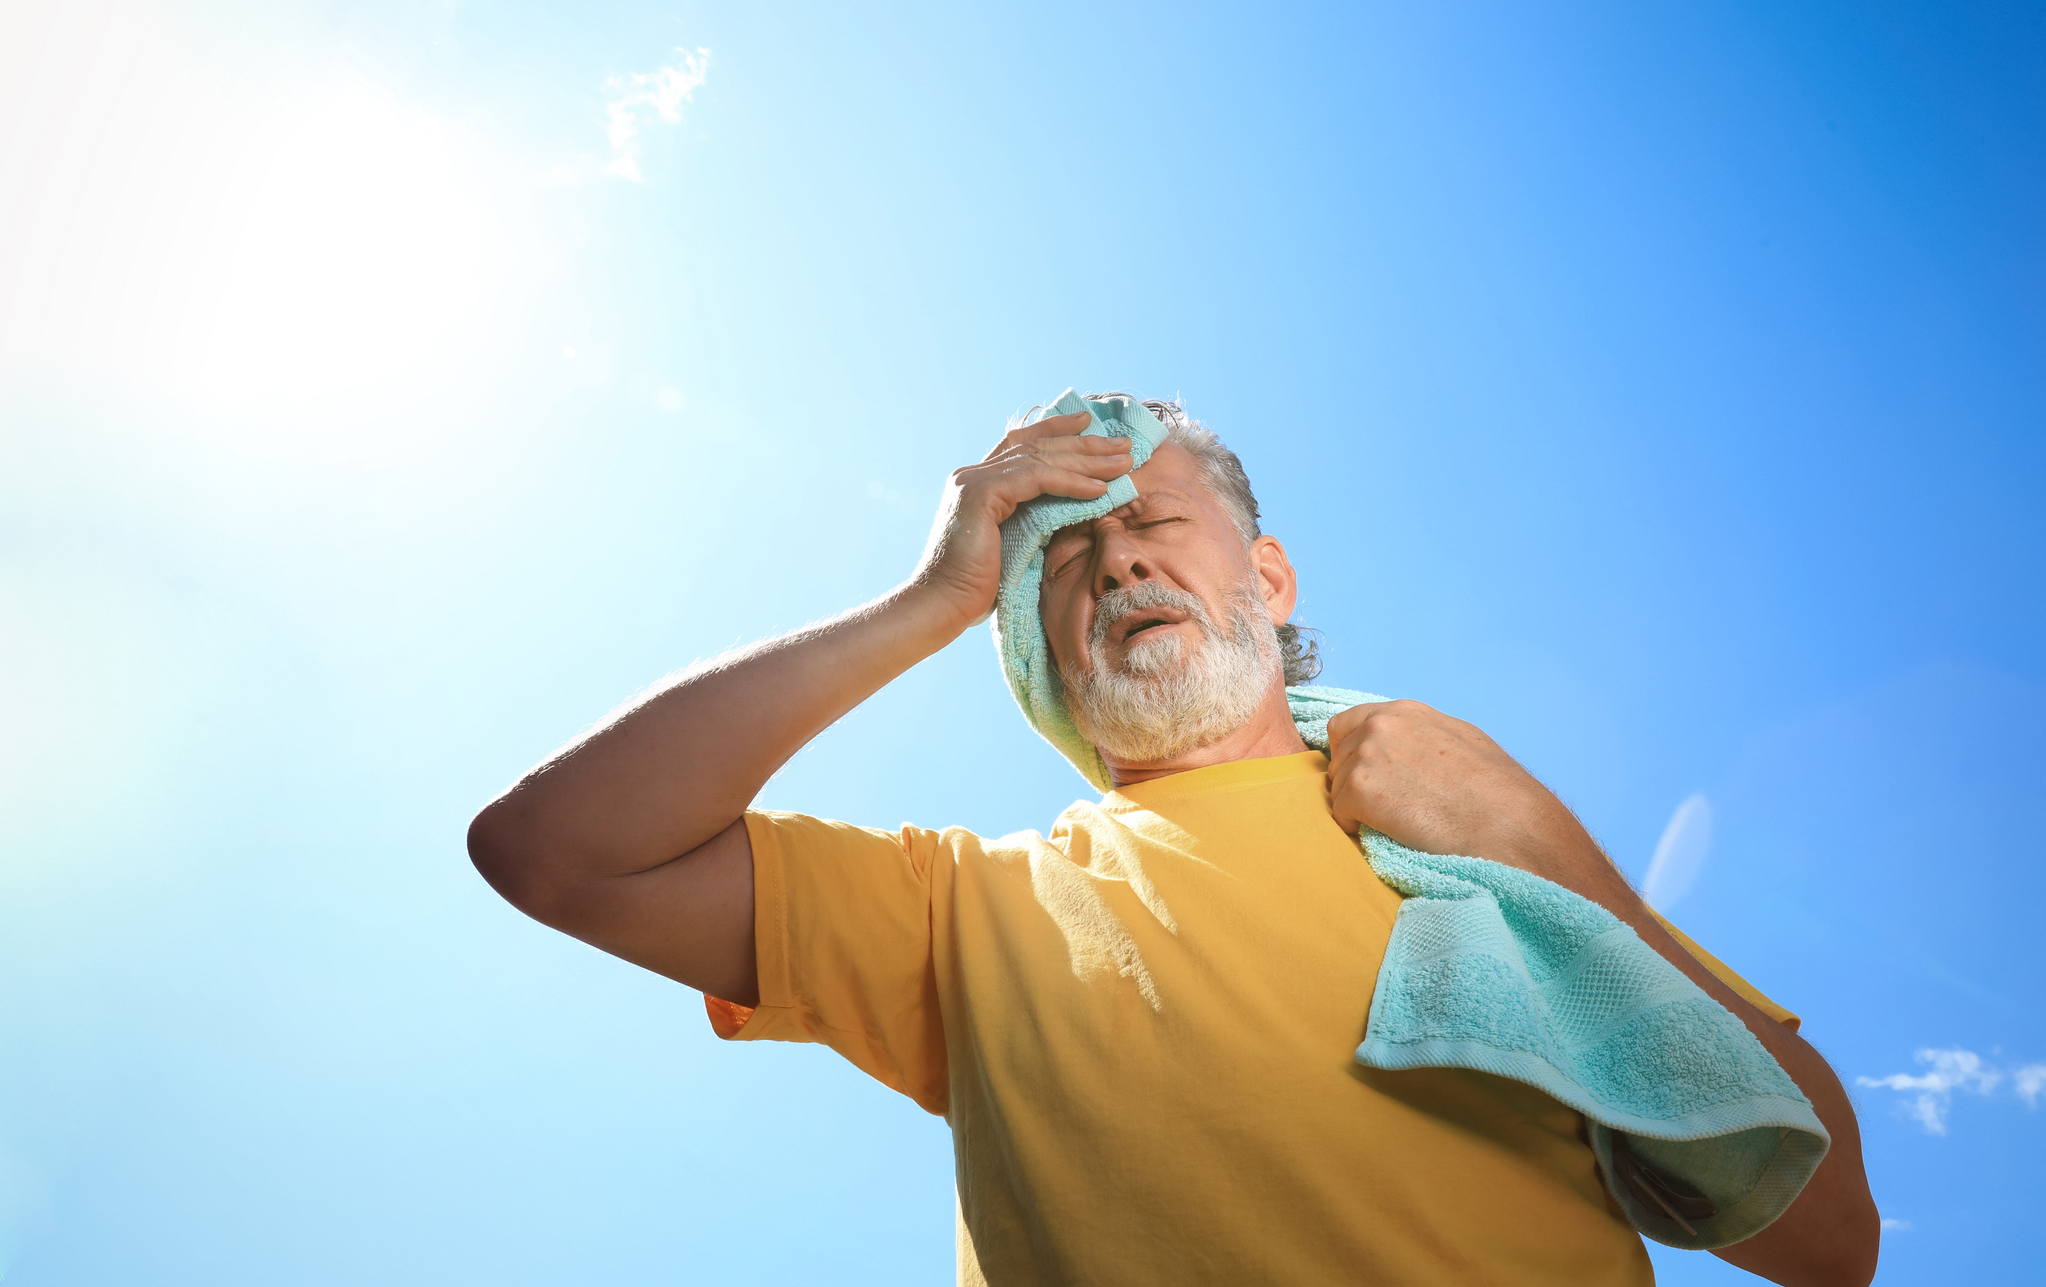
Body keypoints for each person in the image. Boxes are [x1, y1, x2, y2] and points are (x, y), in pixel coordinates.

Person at [468, 396, 1880, 1286]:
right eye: (1065, 563)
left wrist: (1527, 835)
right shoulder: (963, 909)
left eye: (1150, 524)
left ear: (1264, 575)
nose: (1119, 560)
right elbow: (557, 851)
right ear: (1036, 652)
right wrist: (932, 594)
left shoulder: (1478, 856)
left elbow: (1827, 1245)